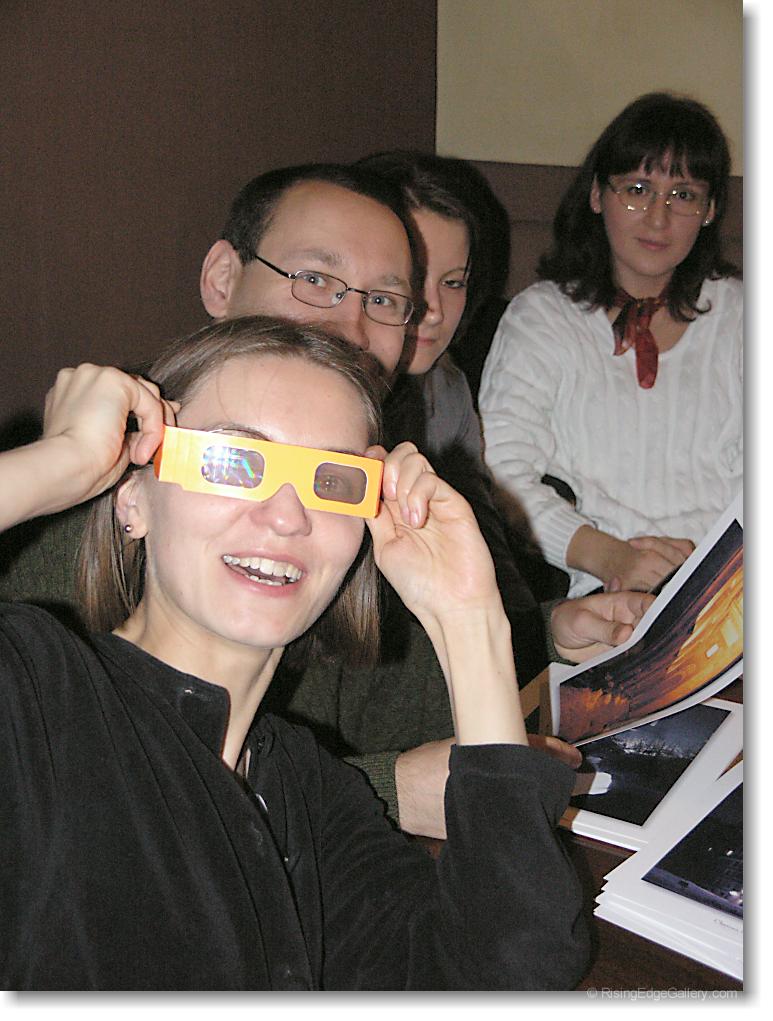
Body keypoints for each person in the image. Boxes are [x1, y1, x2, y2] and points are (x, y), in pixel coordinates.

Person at [0, 162, 650, 838]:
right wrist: (387, 791)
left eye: (384, 299)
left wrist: (544, 632)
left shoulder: (358, 490)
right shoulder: (113, 488)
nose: (350, 324)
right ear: (222, 279)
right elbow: (89, 788)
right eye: (315, 280)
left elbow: (390, 697)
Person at [0, 315, 589, 990]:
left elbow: (510, 975)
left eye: (329, 481)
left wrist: (470, 619)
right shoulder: (37, 698)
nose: (286, 516)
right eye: (231, 462)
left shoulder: (306, 793)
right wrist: (60, 460)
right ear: (132, 499)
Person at [479, 92, 742, 599]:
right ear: (598, 195)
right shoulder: (543, 318)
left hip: (733, 591)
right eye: (637, 190)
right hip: (601, 593)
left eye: (683, 195)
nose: (659, 217)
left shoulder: (742, 315)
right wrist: (613, 558)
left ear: (709, 210)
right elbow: (503, 474)